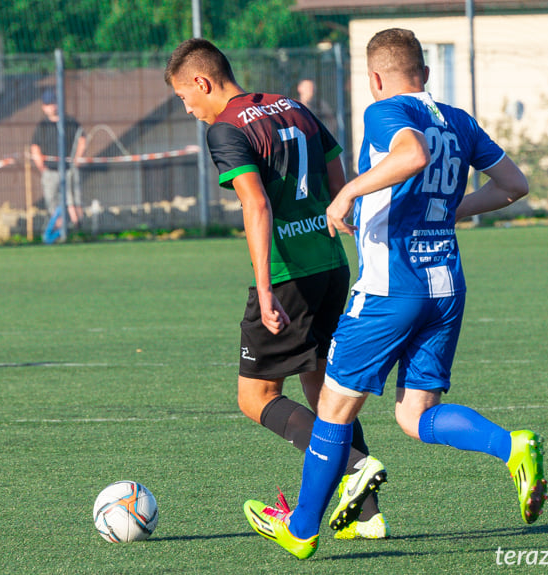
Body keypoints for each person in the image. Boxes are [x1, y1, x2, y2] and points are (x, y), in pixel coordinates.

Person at [244, 28, 547, 560]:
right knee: (415, 416)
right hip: (445, 286)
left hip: (391, 288)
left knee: (334, 410)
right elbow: (514, 185)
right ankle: (512, 446)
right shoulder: (459, 120)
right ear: (425, 74)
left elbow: (411, 153)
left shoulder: (386, 112)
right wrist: (451, 211)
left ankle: (303, 528)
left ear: (375, 79)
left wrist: (348, 191)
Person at [165, 38, 389, 540]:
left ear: (201, 82)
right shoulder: (294, 107)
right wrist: (330, 215)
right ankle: (369, 516)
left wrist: (264, 289)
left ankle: (355, 467)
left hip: (290, 276)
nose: (189, 108)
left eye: (184, 97)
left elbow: (257, 205)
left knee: (256, 396)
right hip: (330, 263)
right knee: (324, 391)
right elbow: (336, 174)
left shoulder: (225, 129)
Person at [30, 88, 86, 230]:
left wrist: (77, 159)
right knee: (53, 201)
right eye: (48, 104)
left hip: (69, 170)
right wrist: (41, 166)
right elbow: (35, 147)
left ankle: (78, 228)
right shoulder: (42, 127)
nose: (52, 106)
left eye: (54, 103)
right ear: (44, 107)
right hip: (50, 171)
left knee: (73, 200)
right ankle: (60, 230)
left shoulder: (70, 122)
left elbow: (82, 139)